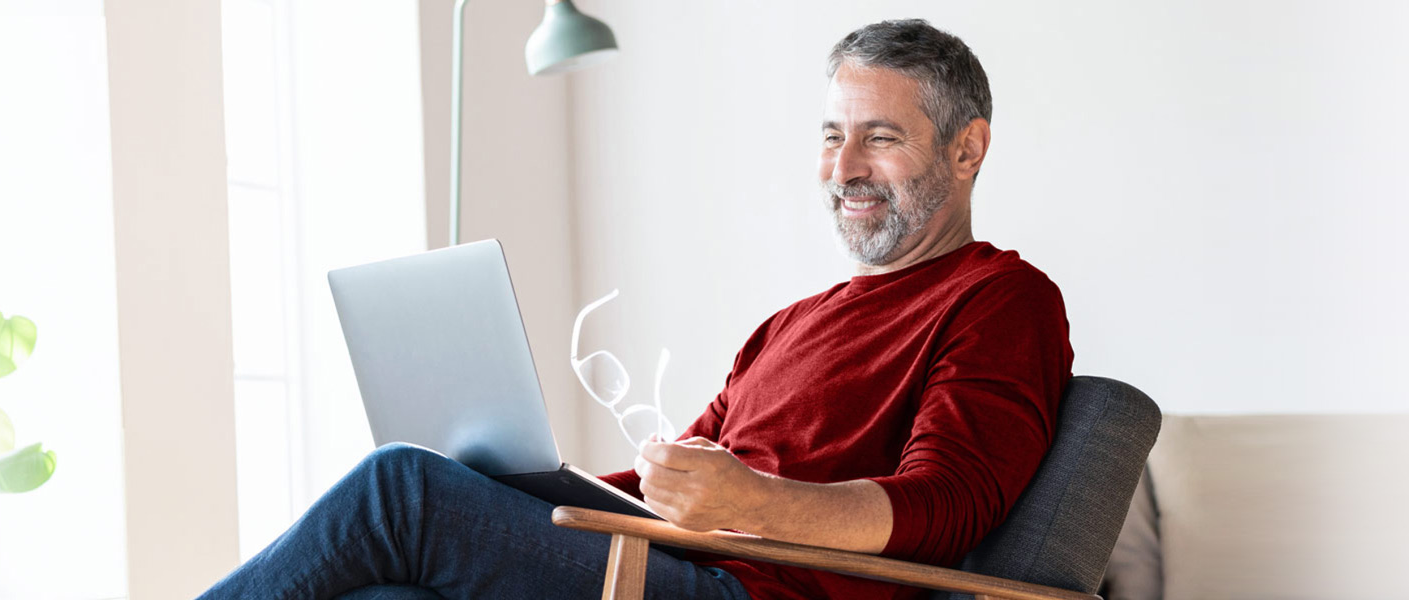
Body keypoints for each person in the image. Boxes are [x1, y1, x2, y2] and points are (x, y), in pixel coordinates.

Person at [197, 18, 1071, 600]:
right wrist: (513, 487)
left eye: (879, 137)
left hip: (755, 590)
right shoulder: (794, 322)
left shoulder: (1002, 301)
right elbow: (677, 488)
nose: (843, 168)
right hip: (673, 560)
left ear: (967, 149)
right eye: (831, 135)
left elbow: (945, 507)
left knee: (400, 487)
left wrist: (755, 503)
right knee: (393, 584)